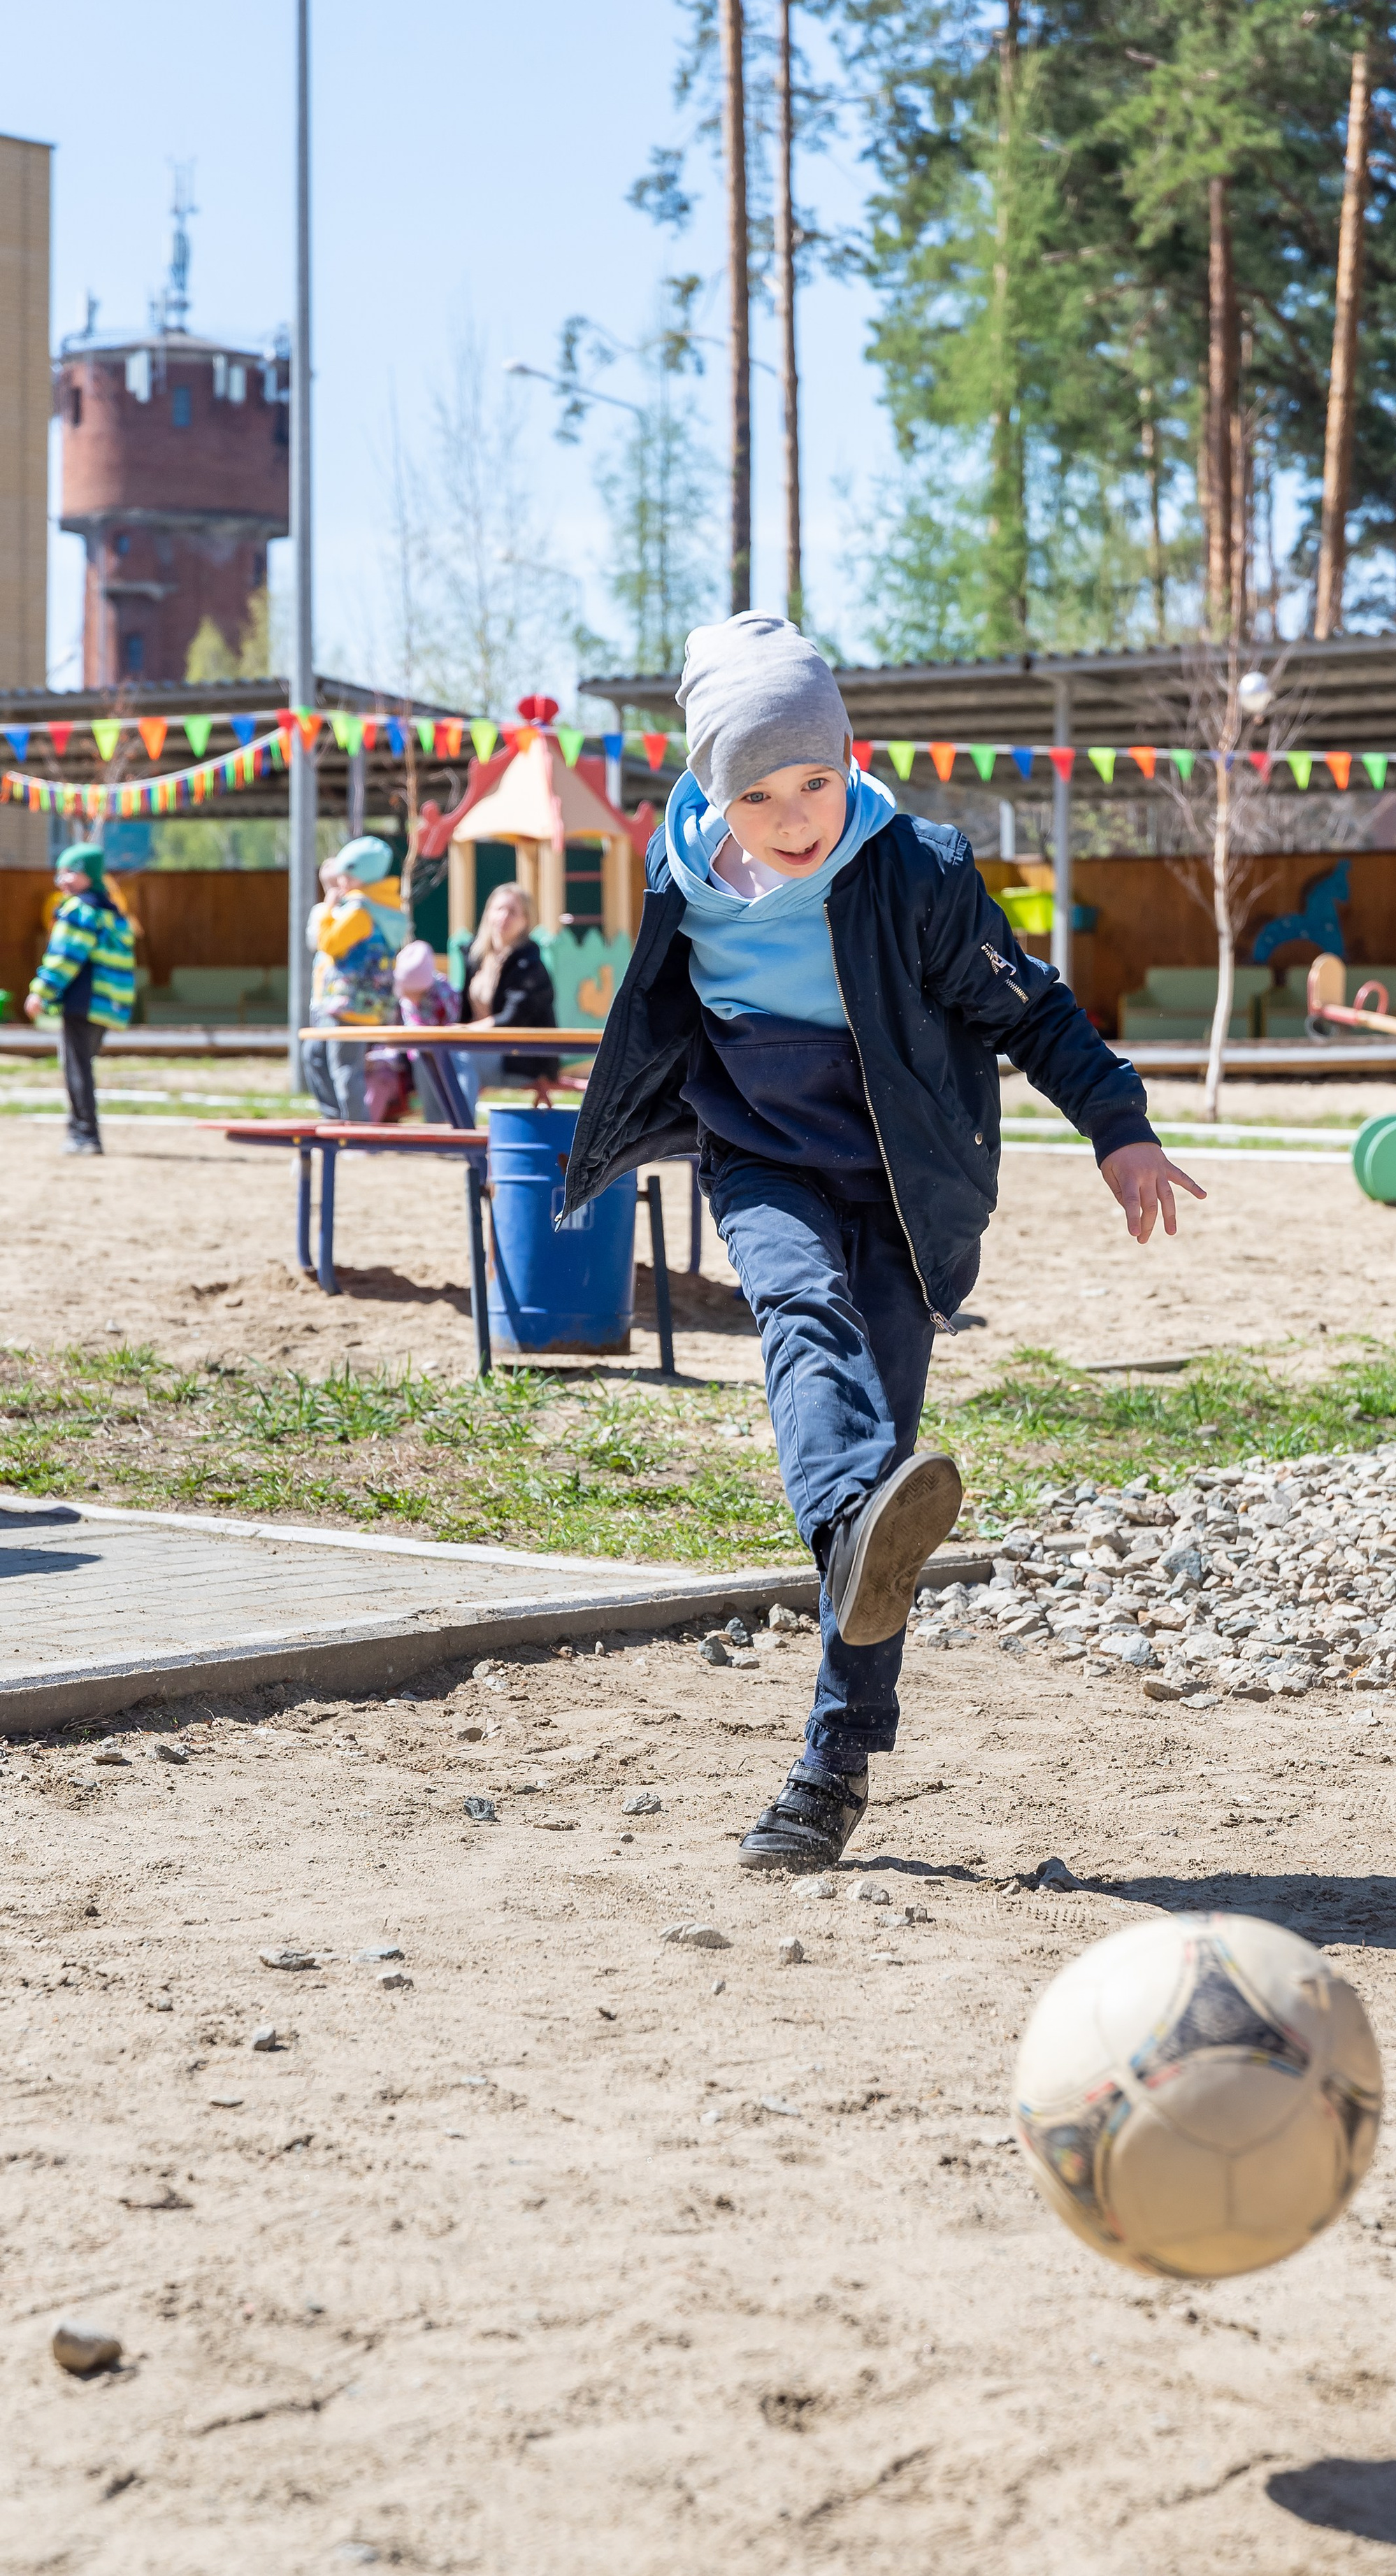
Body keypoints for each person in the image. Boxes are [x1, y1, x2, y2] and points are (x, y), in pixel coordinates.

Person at [561, 613, 1202, 1873]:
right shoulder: (681, 876)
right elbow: (651, 1012)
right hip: (762, 1155)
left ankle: (833, 1756)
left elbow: (1031, 1009)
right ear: (707, 790)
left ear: (851, 757)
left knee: (886, 1480)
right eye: (759, 792)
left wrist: (1117, 1126)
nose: (796, 815)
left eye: (818, 779)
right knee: (805, 1324)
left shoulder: (915, 869)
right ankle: (848, 1541)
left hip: (906, 1184)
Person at [24, 844, 137, 1156]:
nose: (62, 880)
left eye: (71, 872)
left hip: (84, 1000)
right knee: (82, 1065)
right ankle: (83, 1130)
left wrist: (41, 991)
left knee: (76, 1067)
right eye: (59, 872)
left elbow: (65, 957)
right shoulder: (112, 913)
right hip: (108, 1004)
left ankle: (84, 1134)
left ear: (90, 875)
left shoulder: (79, 911)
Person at [301, 836, 408, 1123]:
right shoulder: (382, 907)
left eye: (347, 876)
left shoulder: (360, 911)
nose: (341, 882)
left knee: (346, 1070)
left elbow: (328, 943)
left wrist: (326, 908)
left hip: (349, 1004)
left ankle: (357, 1132)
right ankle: (336, 1120)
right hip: (364, 1004)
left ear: (363, 878)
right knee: (315, 1053)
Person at [454, 882, 561, 1112]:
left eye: (513, 911)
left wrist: (469, 1031)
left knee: (459, 1056)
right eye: (499, 909)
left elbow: (514, 1017)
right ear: (488, 912)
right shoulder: (476, 957)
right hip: (479, 1047)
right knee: (430, 1056)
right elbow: (463, 1012)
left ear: (526, 921)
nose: (504, 916)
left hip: (520, 1057)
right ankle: (441, 1132)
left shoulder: (530, 965)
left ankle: (462, 1140)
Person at [389, 936, 463, 1124]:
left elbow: (453, 1019)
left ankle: (452, 1121)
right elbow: (408, 1021)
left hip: (446, 1047)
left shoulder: (443, 994)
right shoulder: (406, 995)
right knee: (427, 1082)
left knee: (449, 1086)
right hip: (420, 1051)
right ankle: (434, 1122)